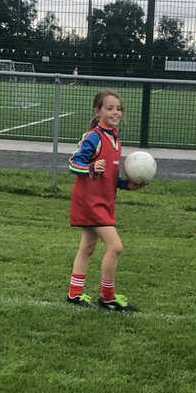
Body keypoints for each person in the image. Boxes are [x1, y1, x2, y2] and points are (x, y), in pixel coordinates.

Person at [66, 90, 145, 312]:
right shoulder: (93, 137)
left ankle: (75, 293)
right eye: (109, 108)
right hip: (90, 203)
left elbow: (109, 174)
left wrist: (126, 185)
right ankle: (107, 297)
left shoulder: (115, 138)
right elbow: (73, 164)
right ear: (97, 112)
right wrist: (90, 167)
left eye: (118, 108)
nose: (115, 112)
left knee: (88, 247)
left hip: (104, 201)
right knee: (116, 246)